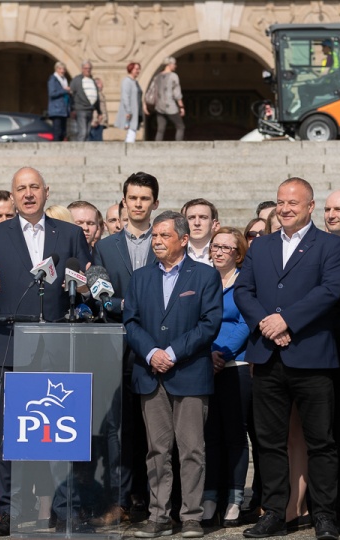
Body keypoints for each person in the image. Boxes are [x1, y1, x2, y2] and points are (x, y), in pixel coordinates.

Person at [0, 166, 91, 536]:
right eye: (21, 189)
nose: (28, 194)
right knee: (12, 432)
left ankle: (64, 509)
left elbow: (91, 283)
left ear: (47, 192)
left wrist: (86, 289)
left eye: (34, 187)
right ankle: (9, 512)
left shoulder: (71, 234)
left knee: (63, 430)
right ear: (12, 196)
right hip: (10, 345)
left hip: (60, 345)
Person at [234, 177, 340, 540]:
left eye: (293, 203)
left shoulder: (331, 246)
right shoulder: (261, 245)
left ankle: (324, 515)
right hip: (268, 358)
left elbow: (330, 290)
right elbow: (243, 289)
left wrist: (288, 320)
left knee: (321, 441)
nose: (285, 208)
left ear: (311, 206)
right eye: (281, 202)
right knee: (269, 441)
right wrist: (266, 324)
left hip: (313, 357)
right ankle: (274, 512)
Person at [124, 211, 223, 539]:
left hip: (190, 373)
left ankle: (191, 516)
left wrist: (174, 353)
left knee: (192, 448)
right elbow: (131, 322)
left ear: (183, 239)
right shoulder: (140, 278)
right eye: (154, 236)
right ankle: (159, 516)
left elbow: (209, 324)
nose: (157, 242)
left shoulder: (205, 276)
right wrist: (152, 353)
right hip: (151, 375)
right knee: (157, 451)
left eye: (164, 236)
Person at [92, 172, 160, 525]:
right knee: (118, 430)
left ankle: (154, 502)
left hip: (156, 348)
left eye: (144, 198)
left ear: (155, 204)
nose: (137, 204)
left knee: (155, 430)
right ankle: (118, 500)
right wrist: (124, 305)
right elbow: (102, 299)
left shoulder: (165, 242)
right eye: (132, 198)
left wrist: (124, 305)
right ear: (123, 202)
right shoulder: (105, 246)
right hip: (116, 350)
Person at [202, 227, 250, 527]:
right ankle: (209, 497)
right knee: (208, 435)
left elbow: (245, 322)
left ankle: (233, 498)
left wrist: (222, 353)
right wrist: (207, 354)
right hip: (204, 364)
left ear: (238, 253)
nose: (219, 252)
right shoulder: (203, 280)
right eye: (215, 246)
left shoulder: (246, 282)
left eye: (226, 248)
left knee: (234, 435)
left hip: (235, 366)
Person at [151, 57, 185, 141]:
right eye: (174, 64)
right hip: (170, 105)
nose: (175, 66)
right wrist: (181, 107)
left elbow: (151, 91)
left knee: (160, 129)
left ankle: (156, 149)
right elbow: (177, 94)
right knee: (180, 126)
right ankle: (178, 147)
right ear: (169, 64)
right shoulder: (173, 76)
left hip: (159, 106)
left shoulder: (157, 77)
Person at [69, 60, 100, 142]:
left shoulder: (92, 81)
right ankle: (79, 151)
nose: (88, 70)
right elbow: (71, 94)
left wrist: (99, 112)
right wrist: (72, 109)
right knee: (83, 132)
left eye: (89, 68)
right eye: (86, 68)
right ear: (82, 69)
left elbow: (97, 96)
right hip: (81, 109)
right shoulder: (77, 80)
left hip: (90, 110)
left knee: (88, 132)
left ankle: (85, 151)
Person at [182, 199, 219, 265]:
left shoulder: (225, 252)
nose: (197, 223)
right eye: (191, 218)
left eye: (203, 217)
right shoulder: (175, 251)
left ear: (213, 224)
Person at [115, 63, 143, 143]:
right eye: (136, 69)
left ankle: (129, 145)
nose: (138, 71)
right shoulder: (127, 81)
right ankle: (128, 147)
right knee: (132, 129)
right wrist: (128, 110)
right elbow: (125, 96)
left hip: (136, 110)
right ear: (131, 69)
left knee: (133, 129)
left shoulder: (135, 82)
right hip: (131, 111)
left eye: (138, 69)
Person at [47, 61, 71, 142]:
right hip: (56, 110)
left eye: (64, 69)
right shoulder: (53, 79)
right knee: (57, 132)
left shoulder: (64, 80)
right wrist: (64, 90)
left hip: (64, 110)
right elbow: (52, 93)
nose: (63, 71)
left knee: (63, 133)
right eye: (60, 69)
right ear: (56, 69)